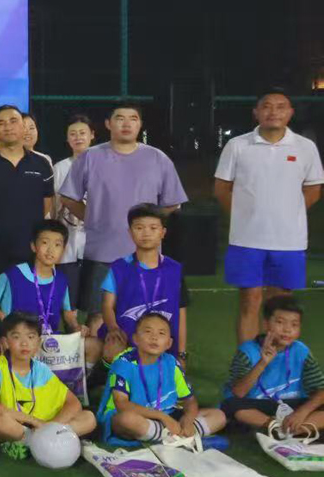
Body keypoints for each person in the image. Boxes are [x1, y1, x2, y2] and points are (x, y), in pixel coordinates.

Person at [58, 102, 187, 320]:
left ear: (140, 125)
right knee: (98, 318)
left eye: (133, 119)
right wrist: (93, 218)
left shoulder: (158, 158)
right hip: (101, 253)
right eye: (120, 118)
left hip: (145, 255)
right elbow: (68, 197)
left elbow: (172, 201)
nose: (126, 124)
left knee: (144, 318)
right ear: (108, 124)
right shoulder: (90, 156)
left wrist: (150, 226)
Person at [215, 90, 324, 342]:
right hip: (246, 240)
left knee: (280, 305)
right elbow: (221, 189)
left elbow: (313, 190)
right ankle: (248, 361)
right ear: (256, 112)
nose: (273, 111)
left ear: (290, 113)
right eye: (266, 106)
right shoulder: (237, 145)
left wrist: (288, 214)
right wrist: (244, 217)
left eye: (280, 106)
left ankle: (276, 361)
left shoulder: (305, 147)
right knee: (249, 301)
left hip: (289, 241)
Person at [96, 312, 225, 446]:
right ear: (135, 339)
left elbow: (190, 401)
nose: (154, 337)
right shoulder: (123, 363)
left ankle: (172, 435)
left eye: (161, 333)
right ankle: (180, 438)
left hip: (167, 414)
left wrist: (188, 420)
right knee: (125, 420)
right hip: (137, 416)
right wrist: (162, 417)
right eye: (148, 331)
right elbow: (122, 404)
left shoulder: (171, 363)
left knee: (218, 416)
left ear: (169, 343)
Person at [0, 312, 96, 445]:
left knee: (89, 418)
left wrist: (50, 426)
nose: (24, 343)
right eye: (16, 337)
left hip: (42, 426)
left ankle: (42, 437)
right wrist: (33, 421)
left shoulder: (42, 369)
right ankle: (40, 439)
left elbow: (74, 403)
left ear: (38, 343)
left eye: (31, 337)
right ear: (6, 342)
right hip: (17, 426)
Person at [0, 105, 54, 275]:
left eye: (13, 121)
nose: (8, 126)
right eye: (1, 123)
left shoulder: (41, 164)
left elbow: (47, 202)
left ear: (23, 126)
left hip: (31, 252)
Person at [99, 204, 191, 362]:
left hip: (161, 342)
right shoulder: (119, 267)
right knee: (107, 347)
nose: (146, 233)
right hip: (127, 338)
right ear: (130, 232)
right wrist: (113, 328)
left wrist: (181, 354)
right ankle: (107, 372)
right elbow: (107, 306)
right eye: (139, 228)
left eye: (153, 228)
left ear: (163, 232)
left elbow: (181, 313)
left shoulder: (174, 269)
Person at [0, 221, 96, 362]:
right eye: (45, 243)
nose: (50, 250)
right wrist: (6, 324)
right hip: (18, 342)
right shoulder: (12, 275)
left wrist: (76, 327)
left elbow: (68, 314)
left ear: (64, 249)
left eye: (57, 245)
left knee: (94, 345)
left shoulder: (61, 280)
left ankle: (85, 377)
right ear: (33, 246)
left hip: (50, 342)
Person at [223, 295, 324, 432]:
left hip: (293, 404)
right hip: (258, 404)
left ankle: (292, 430)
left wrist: (301, 413)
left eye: (294, 325)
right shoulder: (247, 351)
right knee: (232, 405)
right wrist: (262, 363)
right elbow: (239, 392)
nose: (287, 329)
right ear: (265, 324)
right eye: (280, 322)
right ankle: (278, 428)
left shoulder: (301, 351)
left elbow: (320, 391)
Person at [52, 114, 94, 318]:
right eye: (73, 134)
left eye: (82, 133)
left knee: (95, 300)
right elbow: (53, 207)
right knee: (68, 300)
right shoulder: (59, 168)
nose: (78, 138)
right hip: (67, 241)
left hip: (95, 243)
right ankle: (71, 333)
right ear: (67, 138)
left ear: (92, 135)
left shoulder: (103, 165)